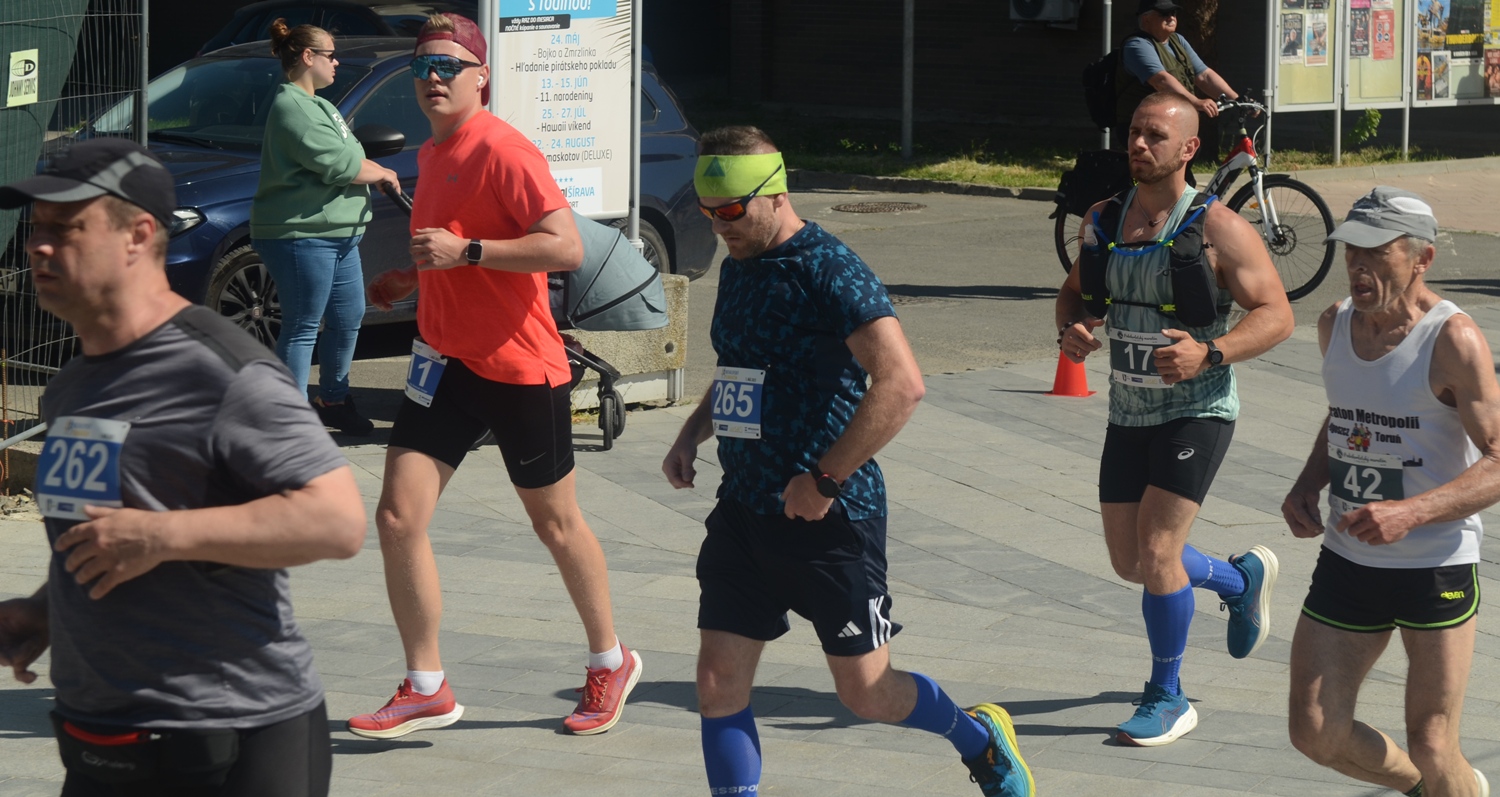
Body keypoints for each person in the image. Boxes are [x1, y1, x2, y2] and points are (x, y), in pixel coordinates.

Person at [663, 125, 1034, 797]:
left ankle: (978, 738)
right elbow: (742, 364)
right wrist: (693, 432)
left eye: (731, 211)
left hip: (828, 520)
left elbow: (901, 383)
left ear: (776, 193)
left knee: (867, 692)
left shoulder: (829, 268)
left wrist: (825, 479)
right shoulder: (741, 261)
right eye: (707, 211)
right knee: (716, 681)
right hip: (744, 511)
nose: (719, 227)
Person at [0, 138, 366, 795]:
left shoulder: (222, 370)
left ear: (139, 234)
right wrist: (45, 610)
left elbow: (337, 521)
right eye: (36, 228)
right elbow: (109, 531)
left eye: (67, 227)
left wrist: (160, 535)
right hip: (102, 741)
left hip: (236, 739)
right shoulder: (72, 386)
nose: (39, 246)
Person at [345, 12, 641, 740]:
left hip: (518, 368)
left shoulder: (504, 149)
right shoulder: (433, 151)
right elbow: (447, 250)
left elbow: (564, 247)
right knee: (396, 517)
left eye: (448, 65)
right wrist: (408, 279)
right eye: (422, 66)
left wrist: (468, 251)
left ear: (482, 76)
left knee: (555, 524)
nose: (433, 78)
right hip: (444, 363)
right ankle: (426, 686)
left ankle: (611, 660)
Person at [1055, 92, 1294, 746]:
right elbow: (1073, 295)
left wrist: (1210, 352)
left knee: (1159, 549)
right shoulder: (1103, 219)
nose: (1138, 143)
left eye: (1154, 135)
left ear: (1189, 148)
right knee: (1131, 560)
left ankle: (1168, 695)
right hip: (1128, 410)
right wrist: (1072, 330)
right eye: (1134, 131)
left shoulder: (1220, 228)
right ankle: (1238, 578)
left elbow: (1277, 315)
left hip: (1197, 408)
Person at [1281, 188, 1497, 797]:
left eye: (1376, 251)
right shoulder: (1334, 324)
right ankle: (1418, 789)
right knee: (1315, 731)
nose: (1358, 265)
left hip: (1434, 566)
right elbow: (1347, 414)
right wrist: (1309, 482)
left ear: (1422, 258)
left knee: (1433, 741)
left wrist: (1413, 512)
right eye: (1352, 249)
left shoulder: (1452, 339)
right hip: (1348, 560)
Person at [250, 19, 400, 436]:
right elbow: (340, 164)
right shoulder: (292, 107)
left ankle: (333, 400)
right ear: (307, 56)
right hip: (303, 235)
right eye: (330, 55)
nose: (337, 63)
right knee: (302, 326)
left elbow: (349, 154)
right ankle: (291, 421)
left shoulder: (319, 105)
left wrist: (372, 168)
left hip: (340, 235)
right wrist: (381, 172)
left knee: (348, 316)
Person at [1115, 0, 1239, 178]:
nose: (1171, 17)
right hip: (1143, 128)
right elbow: (1161, 80)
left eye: (1173, 13)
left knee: (1182, 177)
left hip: (1171, 125)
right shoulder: (1137, 45)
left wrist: (1236, 99)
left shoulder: (1177, 41)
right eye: (1164, 14)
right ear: (1146, 19)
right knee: (1160, 179)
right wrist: (1196, 102)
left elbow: (1204, 75)